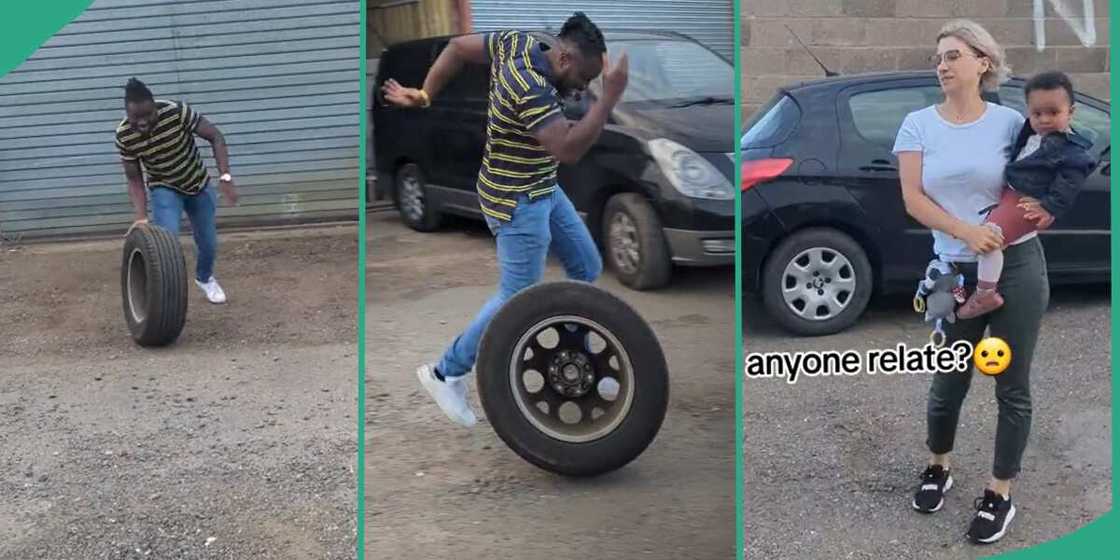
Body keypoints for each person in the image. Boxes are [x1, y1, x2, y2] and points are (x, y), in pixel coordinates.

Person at [380, 12, 628, 427]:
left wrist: (425, 95)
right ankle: (445, 372)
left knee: (586, 267)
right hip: (518, 200)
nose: (585, 88)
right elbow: (567, 149)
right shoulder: (528, 84)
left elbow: (457, 48)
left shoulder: (516, 41)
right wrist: (609, 99)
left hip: (542, 186)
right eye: (585, 78)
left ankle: (576, 358)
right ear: (565, 58)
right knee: (517, 296)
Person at [893, 20, 1048, 545]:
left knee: (1011, 386)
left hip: (1019, 268)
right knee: (947, 384)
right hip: (951, 273)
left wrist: (1014, 225)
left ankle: (998, 493)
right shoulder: (917, 124)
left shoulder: (1010, 124)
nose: (943, 64)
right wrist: (967, 232)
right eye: (939, 56)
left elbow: (1042, 184)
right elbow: (913, 199)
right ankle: (939, 467)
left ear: (983, 63)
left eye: (954, 55)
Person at [956, 71, 1097, 319]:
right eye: (1037, 113)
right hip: (1011, 194)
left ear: (1071, 112)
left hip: (1027, 203)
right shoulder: (1030, 131)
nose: (1044, 119)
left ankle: (985, 294)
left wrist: (1049, 207)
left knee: (988, 240)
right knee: (988, 237)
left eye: (1053, 112)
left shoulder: (1071, 151)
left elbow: (1069, 183)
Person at [116, 77, 239, 304]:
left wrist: (225, 175)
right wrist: (141, 216)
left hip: (197, 184)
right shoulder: (124, 135)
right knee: (166, 244)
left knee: (208, 242)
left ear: (155, 107)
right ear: (127, 113)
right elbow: (134, 179)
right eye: (136, 118)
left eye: (148, 115)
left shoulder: (177, 112)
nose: (142, 123)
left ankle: (204, 278)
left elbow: (216, 137)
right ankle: (165, 291)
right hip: (164, 188)